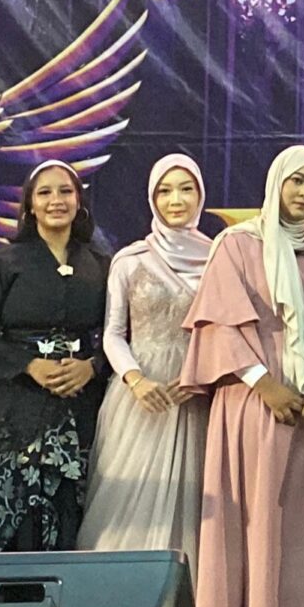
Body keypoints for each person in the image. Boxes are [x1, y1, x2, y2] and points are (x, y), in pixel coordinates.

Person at [184, 146, 304, 607]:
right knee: (254, 521)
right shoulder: (238, 243)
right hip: (254, 400)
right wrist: (266, 386)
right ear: (276, 183)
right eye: (296, 181)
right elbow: (220, 325)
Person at [0, 161, 109, 554]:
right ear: (29, 206)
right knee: (13, 523)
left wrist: (92, 367)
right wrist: (29, 365)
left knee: (69, 514)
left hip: (78, 408)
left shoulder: (102, 264)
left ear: (80, 201)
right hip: (9, 410)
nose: (56, 200)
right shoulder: (4, 262)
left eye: (65, 191)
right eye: (45, 192)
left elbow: (122, 333)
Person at [78, 155, 214, 558]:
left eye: (186, 189)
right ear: (152, 199)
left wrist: (201, 374)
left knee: (196, 500)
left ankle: (191, 594)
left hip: (197, 394)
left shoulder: (219, 258)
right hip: (140, 396)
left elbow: (227, 330)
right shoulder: (130, 259)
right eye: (165, 191)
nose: (176, 200)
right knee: (127, 503)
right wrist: (135, 380)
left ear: (201, 196)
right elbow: (113, 334)